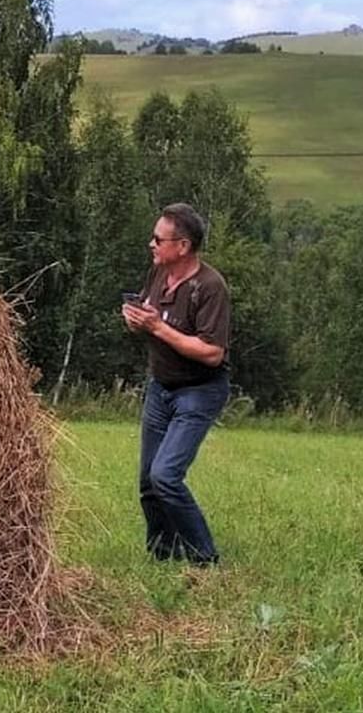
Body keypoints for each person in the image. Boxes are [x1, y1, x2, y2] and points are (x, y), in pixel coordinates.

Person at [121, 203, 232, 567]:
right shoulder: (158, 274)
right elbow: (153, 319)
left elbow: (212, 352)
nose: (150, 244)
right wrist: (136, 320)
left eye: (158, 239)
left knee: (165, 475)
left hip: (199, 391)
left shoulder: (210, 287)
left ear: (181, 246)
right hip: (161, 387)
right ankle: (163, 555)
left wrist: (157, 328)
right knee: (148, 483)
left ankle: (205, 560)